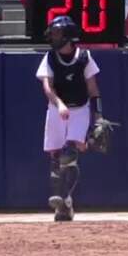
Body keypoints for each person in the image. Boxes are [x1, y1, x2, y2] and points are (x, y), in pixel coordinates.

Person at [36, 16, 102, 222]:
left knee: (70, 153)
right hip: (57, 109)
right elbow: (48, 87)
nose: (53, 37)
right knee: (56, 157)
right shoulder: (50, 57)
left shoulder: (84, 57)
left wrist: (98, 115)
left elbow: (93, 88)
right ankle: (64, 204)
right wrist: (59, 104)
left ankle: (64, 197)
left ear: (69, 37)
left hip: (79, 108)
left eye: (57, 34)